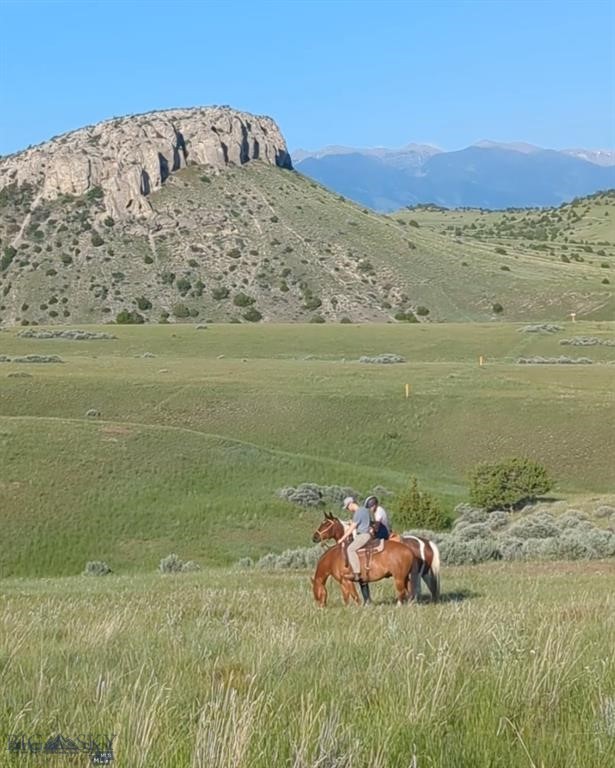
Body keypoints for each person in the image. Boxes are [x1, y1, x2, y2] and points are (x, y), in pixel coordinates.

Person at [339, 496, 372, 582]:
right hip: (368, 534)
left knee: (350, 549)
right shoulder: (365, 510)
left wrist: (342, 539)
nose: (348, 509)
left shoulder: (358, 513)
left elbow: (351, 528)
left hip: (363, 535)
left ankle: (356, 573)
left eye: (347, 507)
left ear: (351, 504)